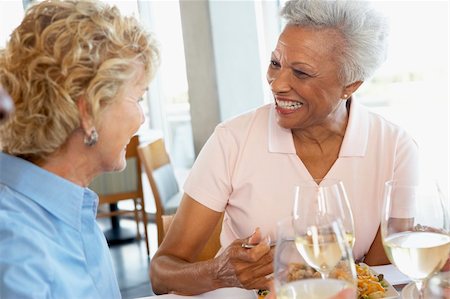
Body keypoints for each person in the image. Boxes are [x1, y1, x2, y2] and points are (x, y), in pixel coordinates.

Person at [150, 0, 418, 296]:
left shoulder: (396, 148)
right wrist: (220, 272)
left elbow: (379, 278)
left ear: (350, 84)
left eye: (301, 73)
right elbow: (162, 273)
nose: (277, 84)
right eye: (275, 63)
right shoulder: (232, 140)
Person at [0, 0, 159, 297]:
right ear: (87, 112)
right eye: (137, 98)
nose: (141, 118)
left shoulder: (71, 210)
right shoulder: (17, 246)